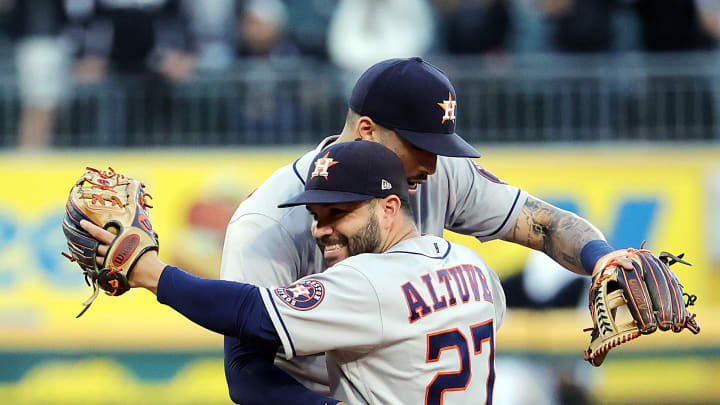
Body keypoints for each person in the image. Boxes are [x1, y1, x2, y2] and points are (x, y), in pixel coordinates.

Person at [219, 56, 636, 401]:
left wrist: (605, 260)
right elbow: (245, 372)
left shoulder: (434, 174)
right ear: (367, 131)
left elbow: (543, 224)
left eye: (440, 148)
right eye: (421, 146)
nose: (433, 164)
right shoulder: (270, 221)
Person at [80, 140, 506, 404]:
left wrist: (147, 271)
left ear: (390, 207)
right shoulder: (471, 266)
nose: (322, 231)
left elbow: (252, 313)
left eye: (339, 213)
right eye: (316, 216)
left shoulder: (369, 282)